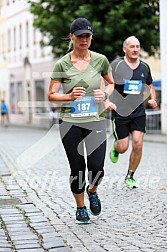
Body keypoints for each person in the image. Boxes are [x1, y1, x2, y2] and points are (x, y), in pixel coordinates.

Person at [48, 17, 116, 224]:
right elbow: (52, 94)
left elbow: (111, 84)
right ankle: (80, 207)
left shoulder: (100, 60)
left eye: (87, 36)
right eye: (80, 36)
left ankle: (92, 190)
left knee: (97, 168)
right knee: (77, 167)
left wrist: (104, 95)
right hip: (70, 122)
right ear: (72, 37)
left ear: (91, 37)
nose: (84, 40)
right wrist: (69, 96)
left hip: (95, 120)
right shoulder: (62, 64)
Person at [109, 36, 157, 188]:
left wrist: (152, 99)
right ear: (125, 49)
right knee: (123, 147)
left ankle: (130, 175)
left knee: (138, 144)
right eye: (132, 47)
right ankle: (116, 148)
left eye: (137, 46)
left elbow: (150, 86)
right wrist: (106, 100)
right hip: (120, 112)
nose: (136, 49)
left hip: (138, 111)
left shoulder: (144, 67)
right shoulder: (116, 65)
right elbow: (106, 83)